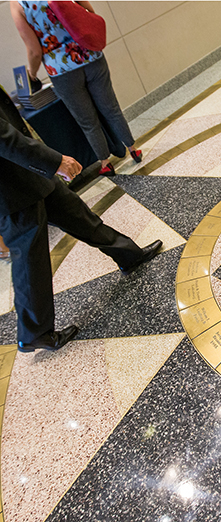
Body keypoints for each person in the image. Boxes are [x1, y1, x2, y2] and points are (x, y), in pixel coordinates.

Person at [0, 86, 162, 353]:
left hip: (27, 173)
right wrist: (54, 161)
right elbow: (4, 138)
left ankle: (128, 255)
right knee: (29, 258)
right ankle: (33, 334)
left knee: (78, 215)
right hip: (11, 186)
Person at [11, 0, 142, 176]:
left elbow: (34, 51)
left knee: (87, 120)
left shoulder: (18, 4)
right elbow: (88, 11)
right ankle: (133, 149)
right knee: (111, 108)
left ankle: (105, 163)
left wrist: (32, 74)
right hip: (90, 55)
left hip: (61, 70)